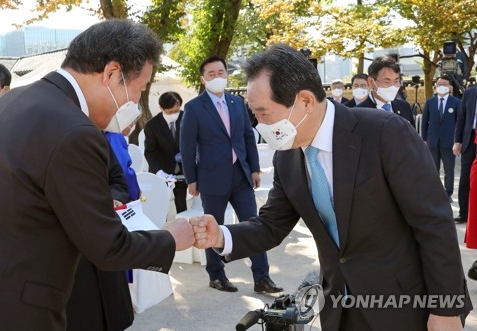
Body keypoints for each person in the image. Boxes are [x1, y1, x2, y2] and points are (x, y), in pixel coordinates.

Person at [190, 44, 472, 331]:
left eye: (264, 114)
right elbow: (271, 225)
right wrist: (221, 236)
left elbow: (433, 223)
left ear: (306, 102)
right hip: (340, 309)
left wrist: (446, 309)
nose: (259, 124)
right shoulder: (287, 157)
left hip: (405, 307)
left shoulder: (385, 132)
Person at [0, 20, 195, 331]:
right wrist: (171, 238)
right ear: (111, 73)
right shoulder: (74, 130)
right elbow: (108, 247)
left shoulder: (14, 101)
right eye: (139, 87)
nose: (135, 101)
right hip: (23, 307)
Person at [180, 55, 282, 293]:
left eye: (221, 72)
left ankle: (262, 278)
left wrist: (254, 168)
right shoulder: (194, 108)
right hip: (211, 177)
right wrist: (191, 178)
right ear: (203, 79)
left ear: (227, 74)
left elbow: (248, 136)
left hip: (241, 175)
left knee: (254, 225)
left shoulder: (237, 103)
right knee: (212, 227)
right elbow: (186, 146)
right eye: (211, 74)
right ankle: (216, 275)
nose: (217, 77)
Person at [66, 147, 134, 331]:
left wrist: (114, 199)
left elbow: (118, 181)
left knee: (113, 313)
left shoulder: (96, 141)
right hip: (71, 256)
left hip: (106, 240)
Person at [145, 91, 188, 213]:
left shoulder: (187, 118)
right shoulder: (152, 126)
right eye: (170, 112)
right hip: (161, 169)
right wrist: (159, 172)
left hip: (181, 170)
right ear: (161, 108)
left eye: (177, 110)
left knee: (181, 205)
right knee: (160, 206)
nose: (175, 114)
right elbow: (150, 152)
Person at [421, 75, 461, 201]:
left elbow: (459, 123)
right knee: (433, 168)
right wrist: (424, 139)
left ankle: (447, 193)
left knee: (449, 170)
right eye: (439, 84)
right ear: (435, 86)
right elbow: (424, 121)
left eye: (444, 84)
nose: (441, 87)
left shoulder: (456, 102)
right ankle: (434, 192)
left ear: (449, 87)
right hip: (432, 141)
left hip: (449, 142)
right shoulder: (430, 102)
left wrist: (457, 141)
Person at [357, 55, 415, 127]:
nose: (392, 86)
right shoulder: (359, 113)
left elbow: (412, 136)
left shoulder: (404, 106)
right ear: (371, 82)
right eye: (387, 82)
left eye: (396, 81)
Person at [453, 85, 477, 224]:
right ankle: (464, 213)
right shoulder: (470, 93)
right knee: (465, 178)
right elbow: (461, 118)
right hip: (470, 140)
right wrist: (457, 141)